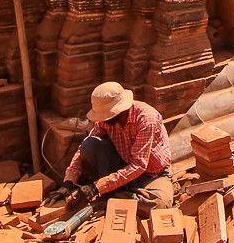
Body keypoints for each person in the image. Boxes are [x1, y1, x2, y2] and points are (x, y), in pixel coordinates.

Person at [48, 81, 174, 217]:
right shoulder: (103, 121)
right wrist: (68, 182)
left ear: (121, 109)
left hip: (151, 174)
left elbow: (138, 166)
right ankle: (114, 193)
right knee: (89, 145)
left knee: (160, 203)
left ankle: (110, 197)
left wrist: (96, 188)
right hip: (121, 165)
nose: (103, 120)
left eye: (107, 115)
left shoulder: (146, 119)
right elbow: (81, 151)